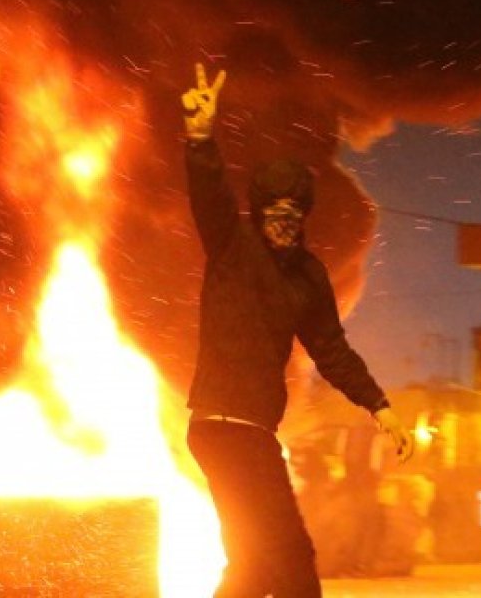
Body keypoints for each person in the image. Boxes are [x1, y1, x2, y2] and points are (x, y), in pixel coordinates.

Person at [179, 64, 414, 598]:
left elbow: (333, 351)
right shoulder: (232, 245)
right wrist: (199, 137)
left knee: (252, 565)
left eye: (293, 211)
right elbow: (209, 194)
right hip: (221, 428)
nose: (283, 220)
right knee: (290, 559)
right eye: (273, 211)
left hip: (253, 431)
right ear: (258, 214)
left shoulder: (307, 276)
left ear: (303, 214)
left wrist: (381, 408)